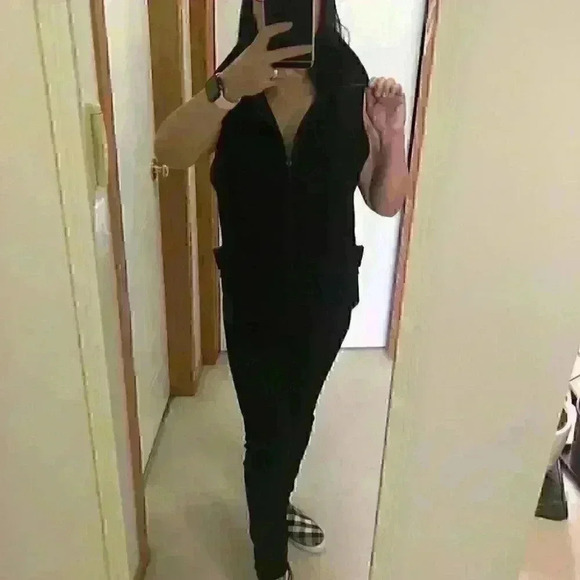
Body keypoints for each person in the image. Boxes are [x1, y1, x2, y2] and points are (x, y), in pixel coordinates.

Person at [155, 1, 411, 578]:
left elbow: (384, 200)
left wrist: (391, 135)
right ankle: (269, 561)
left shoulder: (350, 82)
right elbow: (167, 151)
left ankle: (275, 502)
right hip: (253, 296)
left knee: (296, 417)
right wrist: (226, 89)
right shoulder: (233, 80)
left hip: (327, 294)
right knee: (265, 433)